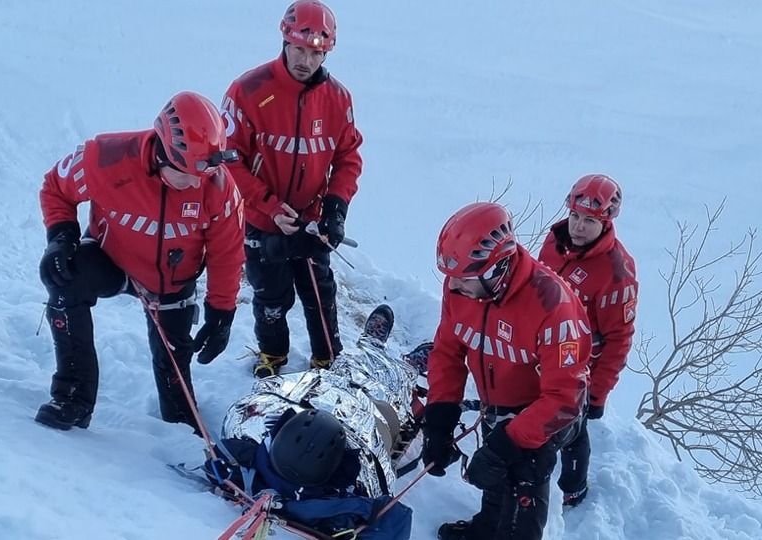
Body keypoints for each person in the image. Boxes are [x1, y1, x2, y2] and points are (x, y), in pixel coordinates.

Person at [34, 91, 244, 432]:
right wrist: (61, 239)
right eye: (184, 173)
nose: (194, 182)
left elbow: (228, 253)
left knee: (176, 377)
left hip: (172, 280)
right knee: (66, 279)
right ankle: (72, 396)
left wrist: (222, 313)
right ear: (162, 150)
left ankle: (180, 432)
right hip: (111, 261)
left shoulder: (218, 187)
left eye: (202, 174)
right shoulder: (104, 158)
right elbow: (55, 187)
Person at [420, 202, 591, 540]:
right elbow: (448, 352)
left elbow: (564, 398)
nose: (454, 288)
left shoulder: (552, 305)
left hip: (553, 409)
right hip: (499, 398)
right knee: (494, 467)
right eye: (451, 279)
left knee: (523, 468)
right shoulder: (462, 286)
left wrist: (509, 442)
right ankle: (487, 527)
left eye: (465, 280)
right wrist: (439, 419)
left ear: (498, 268)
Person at [220, 0, 364, 377]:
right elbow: (227, 160)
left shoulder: (338, 98)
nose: (305, 60)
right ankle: (272, 356)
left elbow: (348, 157)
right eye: (299, 49)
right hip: (261, 219)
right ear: (284, 42)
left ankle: (328, 359)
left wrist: (336, 208)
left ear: (326, 51)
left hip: (313, 218)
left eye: (315, 52)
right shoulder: (247, 90)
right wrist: (267, 206)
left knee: (320, 292)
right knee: (270, 295)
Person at [200, 305, 416, 539]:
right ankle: (408, 368)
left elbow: (235, 433)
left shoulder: (249, 460)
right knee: (389, 402)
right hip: (364, 425)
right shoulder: (337, 504)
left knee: (346, 373)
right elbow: (391, 517)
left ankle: (373, 346)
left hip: (321, 398)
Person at [538, 174, 638, 507]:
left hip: (580, 367)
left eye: (589, 221)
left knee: (573, 429)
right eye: (576, 217)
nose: (579, 227)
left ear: (606, 222)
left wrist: (598, 392)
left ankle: (573, 486)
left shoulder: (616, 272)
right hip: (541, 350)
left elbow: (620, 338)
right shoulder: (554, 242)